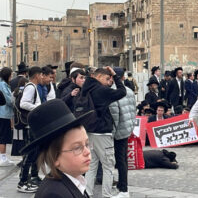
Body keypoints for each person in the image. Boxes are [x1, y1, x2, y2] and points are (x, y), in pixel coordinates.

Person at [20, 99, 93, 198]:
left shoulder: (74, 180)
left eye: (87, 144)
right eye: (77, 148)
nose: (87, 152)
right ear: (55, 157)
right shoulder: (54, 194)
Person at [83, 67, 126, 198]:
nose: (109, 82)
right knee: (108, 166)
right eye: (107, 79)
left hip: (89, 131)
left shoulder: (86, 88)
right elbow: (122, 92)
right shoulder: (101, 90)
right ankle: (106, 195)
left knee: (91, 166)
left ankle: (88, 193)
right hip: (102, 132)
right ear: (99, 76)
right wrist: (116, 76)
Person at [109, 67, 136, 197]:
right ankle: (122, 185)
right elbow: (133, 112)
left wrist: (111, 134)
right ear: (123, 78)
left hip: (118, 130)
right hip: (126, 129)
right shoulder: (130, 91)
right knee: (123, 159)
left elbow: (114, 115)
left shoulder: (113, 92)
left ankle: (124, 189)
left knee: (119, 160)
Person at [18, 66, 44, 193]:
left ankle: (28, 179)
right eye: (41, 75)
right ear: (37, 75)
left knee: (34, 153)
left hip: (33, 124)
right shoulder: (30, 87)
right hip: (30, 125)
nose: (42, 77)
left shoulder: (32, 87)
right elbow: (23, 103)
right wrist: (37, 108)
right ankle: (22, 182)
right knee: (30, 154)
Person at [0, 67, 14, 166]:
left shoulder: (3, 84)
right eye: (11, 74)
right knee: (3, 136)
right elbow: (8, 99)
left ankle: (3, 156)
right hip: (3, 113)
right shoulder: (3, 85)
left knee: (3, 135)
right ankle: (2, 157)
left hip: (4, 113)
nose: (12, 76)